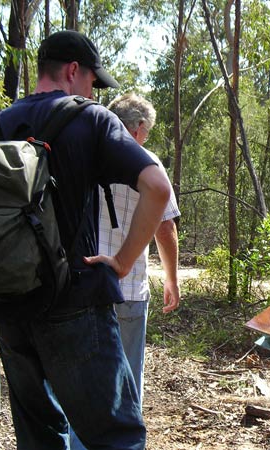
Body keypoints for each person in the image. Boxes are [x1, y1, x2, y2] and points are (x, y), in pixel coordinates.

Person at [0, 30, 171, 450]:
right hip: (75, 308)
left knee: (40, 438)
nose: (94, 91)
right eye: (93, 81)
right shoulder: (91, 119)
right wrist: (124, 261)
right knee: (117, 438)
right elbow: (157, 186)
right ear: (74, 71)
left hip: (10, 311)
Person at [99, 92, 181, 405]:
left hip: (88, 285)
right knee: (128, 378)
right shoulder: (149, 165)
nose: (146, 138)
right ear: (138, 128)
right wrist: (171, 279)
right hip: (129, 288)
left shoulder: (87, 160)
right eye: (147, 132)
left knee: (86, 381)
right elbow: (165, 227)